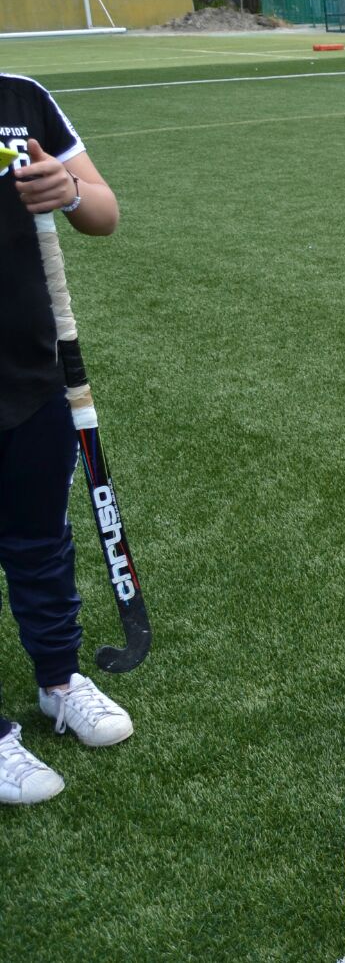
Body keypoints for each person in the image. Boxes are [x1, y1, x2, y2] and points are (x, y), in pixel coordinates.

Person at [0, 73, 130, 806]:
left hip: (33, 375)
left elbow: (104, 212)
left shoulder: (21, 98)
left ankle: (58, 682)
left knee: (40, 543)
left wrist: (69, 192)